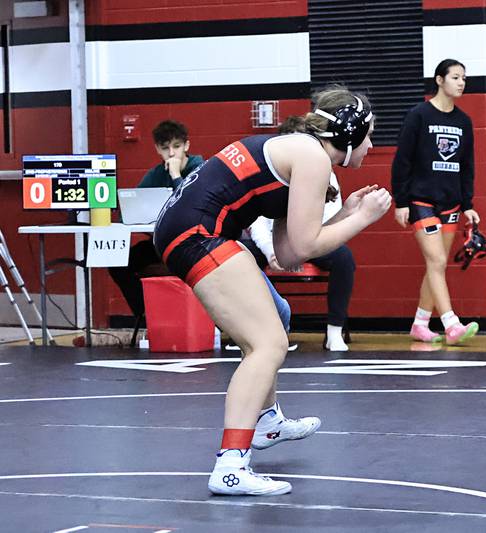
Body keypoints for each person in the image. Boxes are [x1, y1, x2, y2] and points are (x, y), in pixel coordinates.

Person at [153, 87, 391, 495]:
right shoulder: (313, 158)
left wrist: (347, 213)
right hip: (198, 233)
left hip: (189, 228)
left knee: (276, 316)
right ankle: (231, 465)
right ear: (349, 134)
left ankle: (265, 421)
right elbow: (305, 247)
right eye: (368, 135)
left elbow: (285, 253)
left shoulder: (297, 152)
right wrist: (363, 219)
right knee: (268, 344)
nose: (371, 145)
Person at [391, 58, 480, 345]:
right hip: (421, 200)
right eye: (455, 77)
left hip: (451, 203)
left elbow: (467, 166)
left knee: (436, 266)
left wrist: (468, 204)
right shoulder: (419, 115)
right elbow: (402, 160)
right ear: (439, 80)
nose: (461, 82)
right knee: (438, 261)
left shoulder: (464, 122)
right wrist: (401, 201)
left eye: (464, 78)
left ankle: (420, 323)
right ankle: (451, 324)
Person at [249, 116, 356, 352]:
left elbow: (332, 223)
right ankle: (248, 332)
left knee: (344, 257)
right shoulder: (272, 173)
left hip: (311, 241)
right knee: (240, 254)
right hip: (274, 245)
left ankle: (334, 332)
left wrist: (300, 250)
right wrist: (270, 251)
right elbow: (257, 222)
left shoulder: (323, 170)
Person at [108, 120, 204, 318]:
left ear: (187, 146)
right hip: (161, 244)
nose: (171, 154)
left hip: (195, 244)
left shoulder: (201, 168)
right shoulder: (155, 175)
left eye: (176, 147)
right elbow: (130, 211)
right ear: (157, 150)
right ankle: (147, 315)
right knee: (118, 263)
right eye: (165, 148)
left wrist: (176, 175)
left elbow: (191, 205)